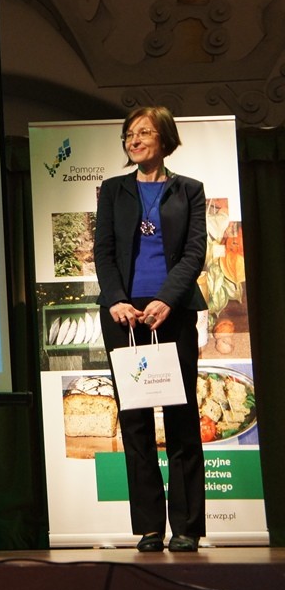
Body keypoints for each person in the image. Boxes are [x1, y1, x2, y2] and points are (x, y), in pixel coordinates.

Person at [95, 106, 208, 553]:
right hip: (124, 316)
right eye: (129, 134)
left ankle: (187, 527)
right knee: (135, 421)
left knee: (181, 418)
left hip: (172, 312)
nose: (134, 139)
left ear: (164, 138)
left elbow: (194, 253)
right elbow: (103, 252)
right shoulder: (113, 190)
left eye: (143, 132)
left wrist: (167, 299)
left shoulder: (189, 190)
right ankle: (149, 527)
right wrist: (116, 300)